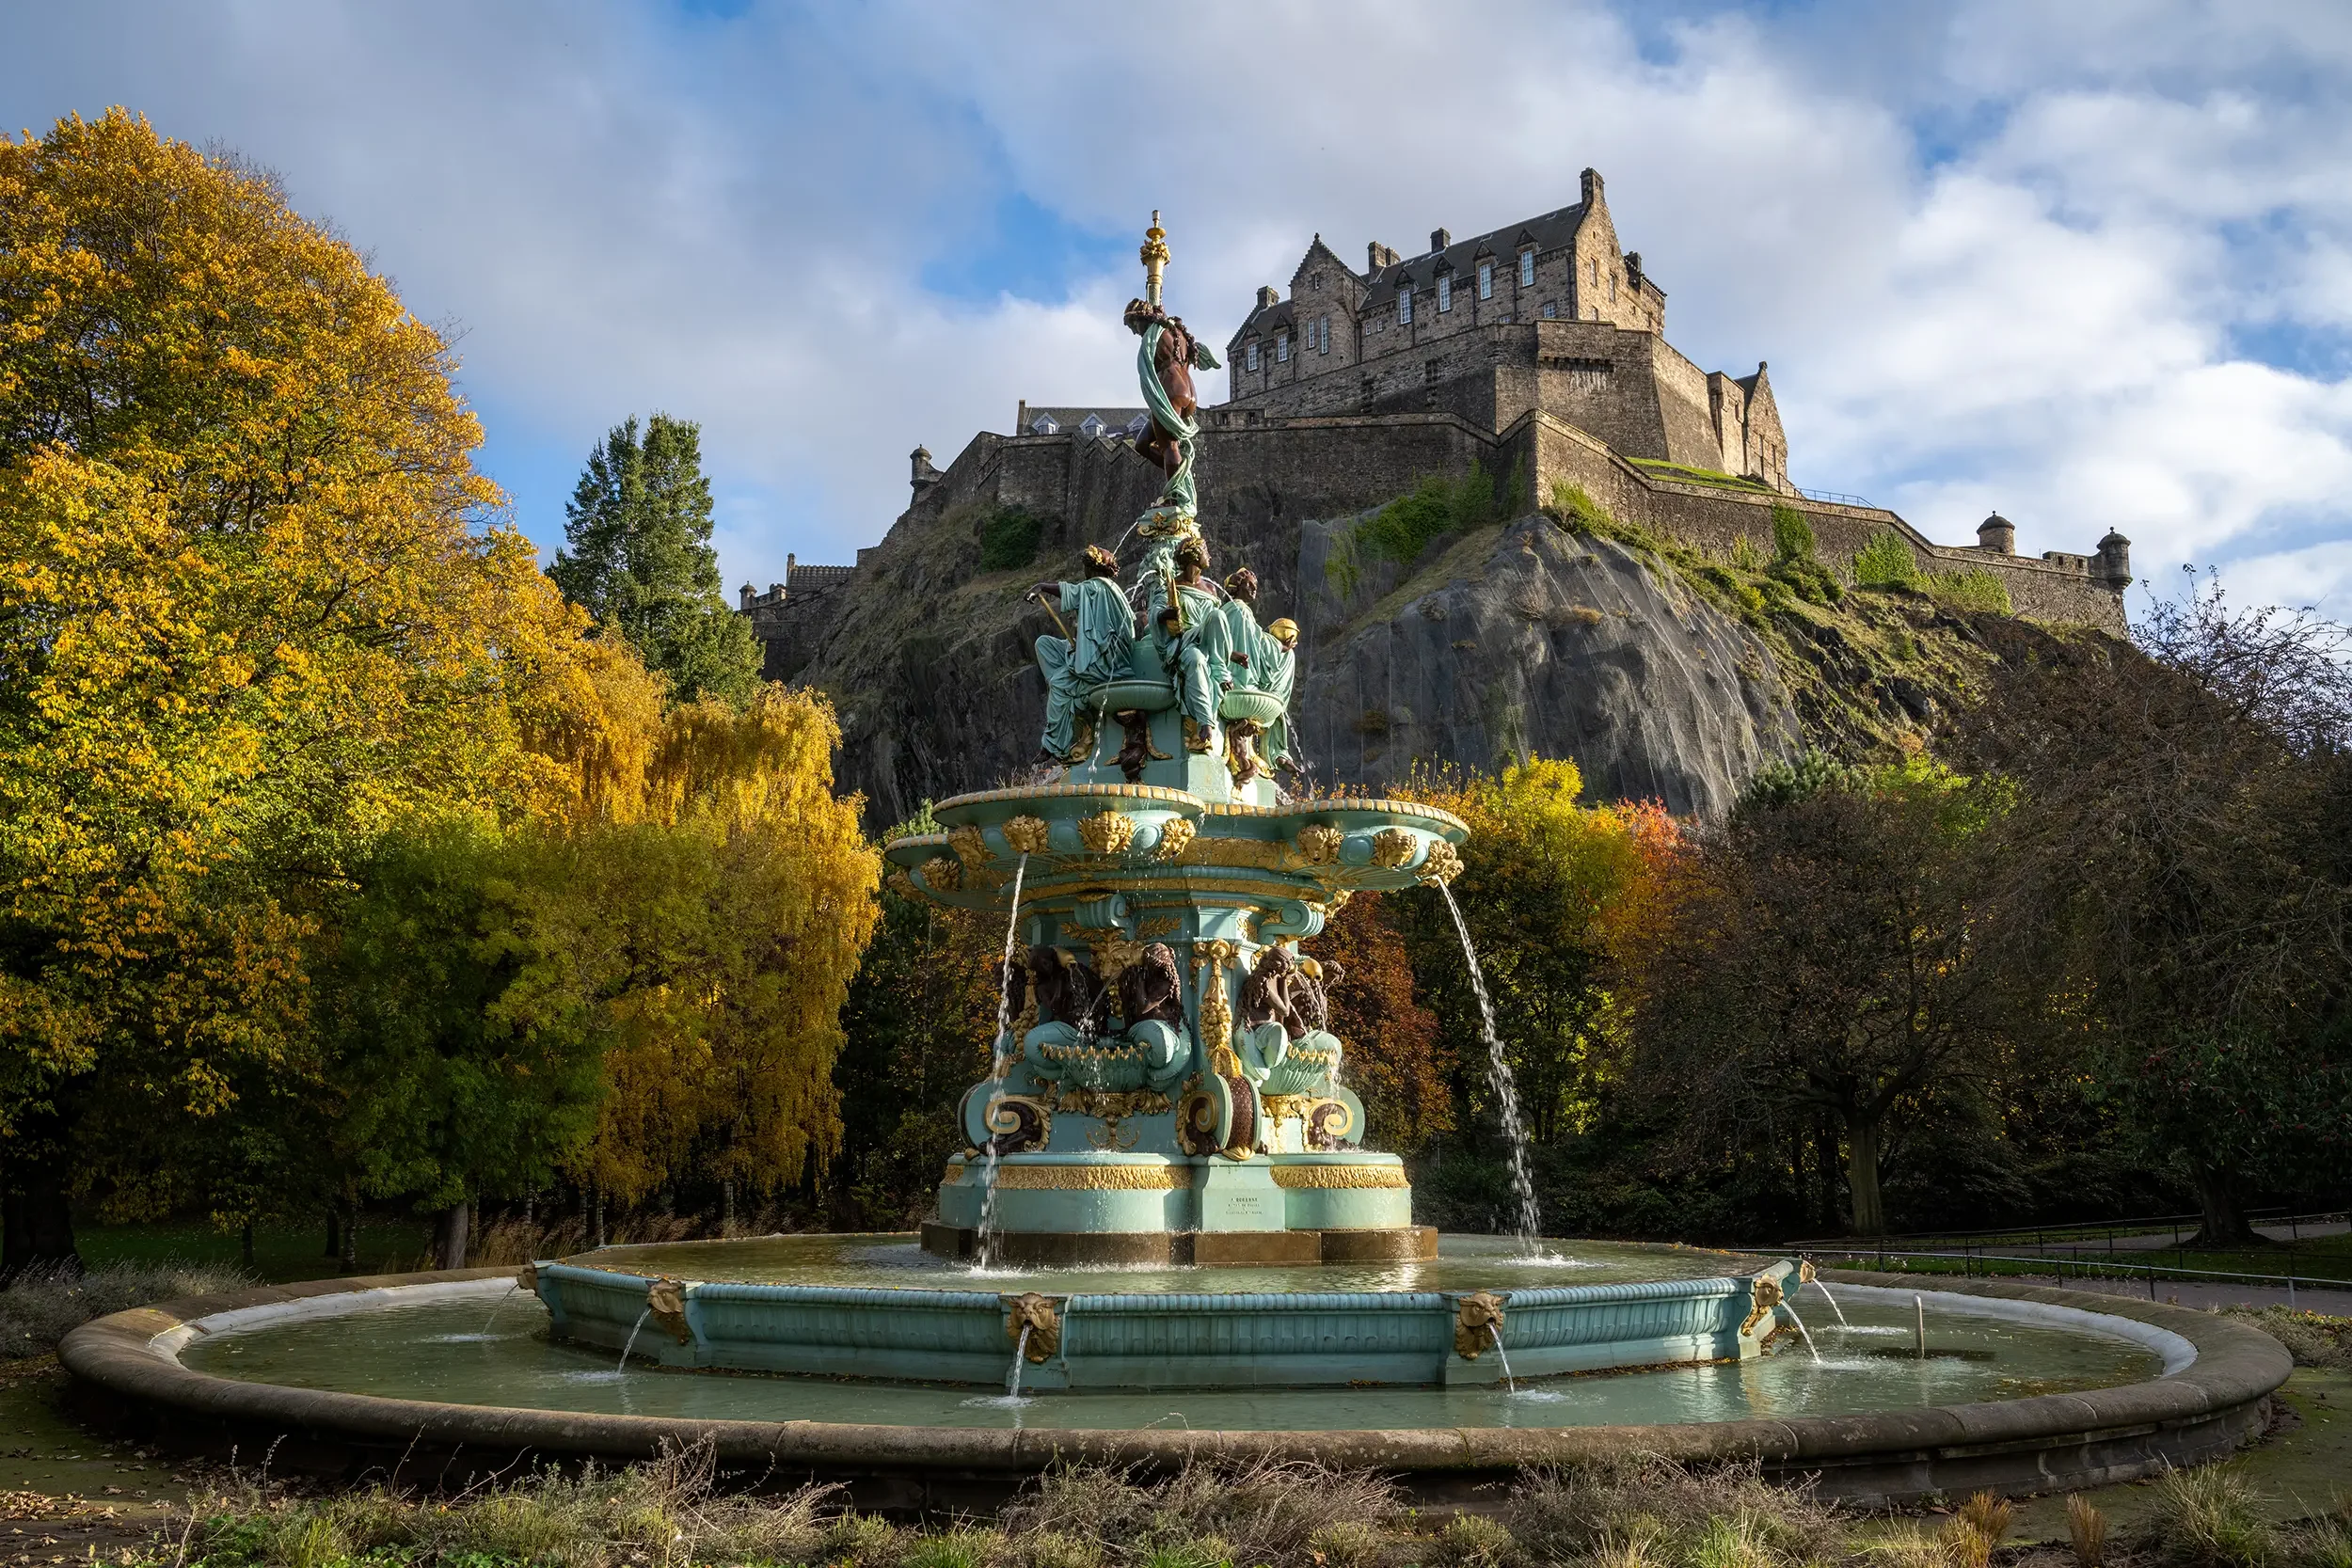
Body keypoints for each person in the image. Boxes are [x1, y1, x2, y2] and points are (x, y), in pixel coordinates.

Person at [1032, 545, 1131, 762]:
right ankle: (1069, 690)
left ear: (1092, 568)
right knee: (1045, 644)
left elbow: (1073, 592)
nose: (1084, 572)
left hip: (1105, 663)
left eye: (1085, 567)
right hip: (1095, 652)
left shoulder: (1098, 587)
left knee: (1059, 684)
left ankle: (1053, 745)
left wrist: (1042, 586)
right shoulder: (1105, 589)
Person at [1148, 536, 1225, 752]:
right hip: (1184, 643)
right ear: (1194, 557)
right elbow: (1155, 611)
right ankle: (1206, 722)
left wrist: (1234, 653)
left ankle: (1220, 670)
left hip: (1210, 645)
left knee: (1218, 616)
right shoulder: (1173, 585)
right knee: (1196, 659)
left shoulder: (1211, 590)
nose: (1209, 556)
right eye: (1205, 551)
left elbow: (1220, 630)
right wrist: (1166, 614)